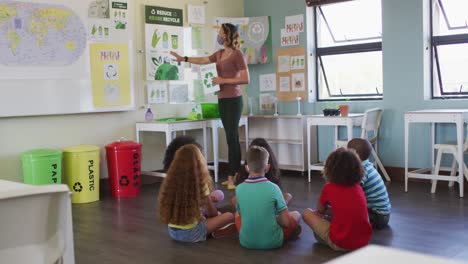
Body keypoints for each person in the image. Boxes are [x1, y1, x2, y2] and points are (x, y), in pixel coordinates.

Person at [171, 23, 250, 189]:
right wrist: (183, 59)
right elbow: (203, 60)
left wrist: (224, 80)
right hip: (222, 99)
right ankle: (233, 174)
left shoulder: (237, 55)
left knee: (232, 137)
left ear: (228, 35)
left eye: (221, 33)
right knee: (229, 137)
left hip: (234, 100)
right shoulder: (220, 54)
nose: (219, 36)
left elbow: (245, 79)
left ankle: (233, 177)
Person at [158, 144, 236, 242]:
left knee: (216, 195)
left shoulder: (171, 181)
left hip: (173, 232)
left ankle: (209, 225)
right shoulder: (199, 183)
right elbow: (212, 211)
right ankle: (213, 231)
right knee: (229, 215)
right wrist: (217, 216)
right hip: (191, 233)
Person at [302, 148, 372, 251]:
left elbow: (320, 210)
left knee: (307, 213)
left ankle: (330, 239)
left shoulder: (329, 188)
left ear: (329, 169)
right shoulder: (358, 188)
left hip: (340, 243)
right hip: (363, 242)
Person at [235, 146, 301, 249]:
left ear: (247, 168)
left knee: (237, 215)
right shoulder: (274, 188)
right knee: (296, 214)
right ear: (267, 167)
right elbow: (286, 222)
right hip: (272, 242)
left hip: (246, 241)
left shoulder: (239, 189)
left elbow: (241, 215)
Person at [162, 135, 223, 206]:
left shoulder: (172, 182)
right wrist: (207, 200)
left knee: (218, 194)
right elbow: (210, 212)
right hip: (195, 214)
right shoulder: (196, 182)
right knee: (228, 214)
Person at [232, 138, 292, 204]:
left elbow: (236, 199)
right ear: (267, 166)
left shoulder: (240, 186)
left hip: (249, 203)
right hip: (268, 205)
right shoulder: (273, 186)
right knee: (288, 197)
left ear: (247, 167)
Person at [347, 138, 391, 229]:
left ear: (354, 155)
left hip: (378, 216)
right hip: (383, 214)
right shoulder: (367, 165)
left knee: (349, 213)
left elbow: (353, 191)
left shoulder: (361, 170)